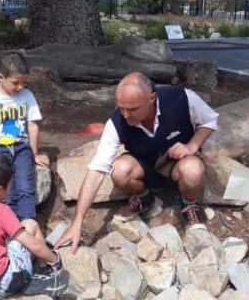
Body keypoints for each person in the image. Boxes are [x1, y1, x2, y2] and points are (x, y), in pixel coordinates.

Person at [56, 72, 219, 253]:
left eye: (133, 109)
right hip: (145, 165)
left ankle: (189, 204)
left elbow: (210, 120)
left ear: (151, 98)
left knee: (193, 170)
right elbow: (96, 170)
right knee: (119, 171)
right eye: (121, 108)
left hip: (177, 163)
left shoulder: (181, 97)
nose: (126, 115)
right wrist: (77, 223)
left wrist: (191, 146)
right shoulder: (117, 122)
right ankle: (144, 197)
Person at [0, 152, 67, 299]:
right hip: (2, 282)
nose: (10, 188)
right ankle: (42, 269)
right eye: (9, 184)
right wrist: (55, 260)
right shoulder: (2, 211)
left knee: (9, 239)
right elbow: (34, 245)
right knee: (31, 224)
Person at [0, 53, 49, 221]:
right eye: (15, 83)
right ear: (1, 77)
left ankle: (29, 225)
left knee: (26, 188)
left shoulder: (27, 96)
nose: (20, 87)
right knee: (9, 189)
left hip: (21, 147)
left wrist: (34, 154)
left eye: (24, 83)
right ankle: (11, 229)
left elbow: (33, 126)